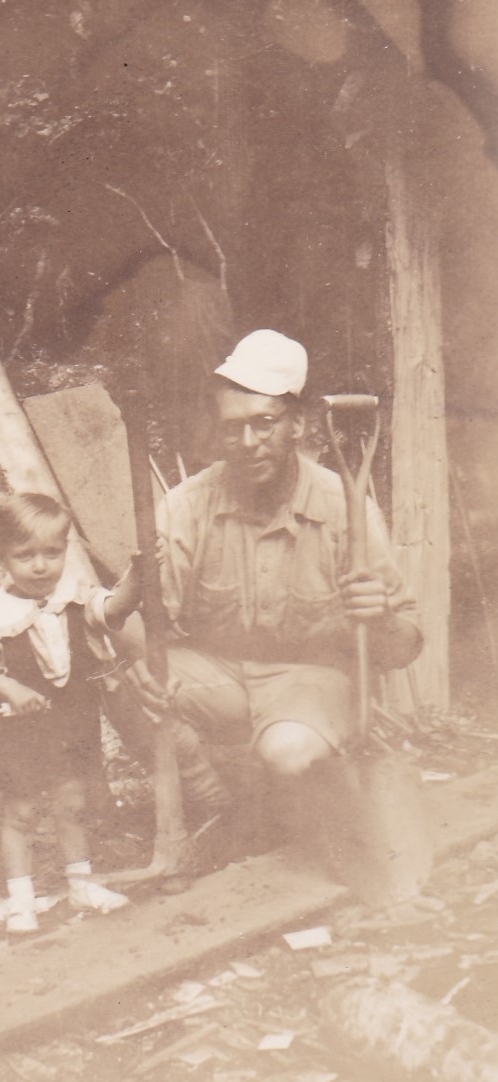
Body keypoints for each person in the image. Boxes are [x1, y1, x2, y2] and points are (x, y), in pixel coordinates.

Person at [124, 329, 422, 812]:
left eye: (265, 423)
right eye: (231, 427)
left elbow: (405, 645)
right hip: (219, 677)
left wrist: (381, 616)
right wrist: (140, 663)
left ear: (297, 425)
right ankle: (217, 804)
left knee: (287, 756)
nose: (247, 442)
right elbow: (144, 614)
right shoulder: (187, 505)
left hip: (311, 682)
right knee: (122, 683)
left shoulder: (346, 507)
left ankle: (289, 793)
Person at [0, 492, 140, 933]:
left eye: (52, 553)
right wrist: (9, 685)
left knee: (72, 803)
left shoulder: (76, 599)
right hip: (20, 729)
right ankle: (20, 898)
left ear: (66, 550)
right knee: (21, 812)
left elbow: (116, 609)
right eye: (24, 556)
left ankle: (81, 884)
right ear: (0, 555)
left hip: (70, 721)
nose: (40, 566)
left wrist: (139, 576)